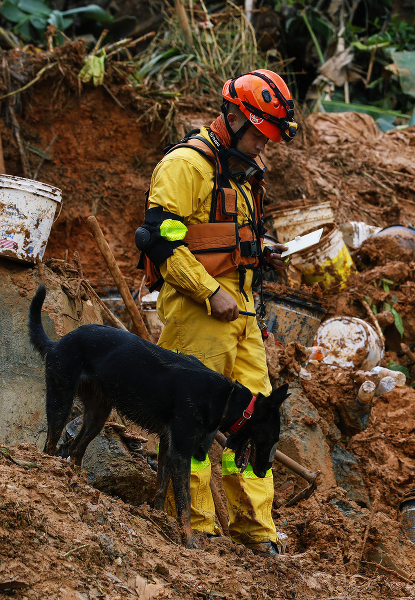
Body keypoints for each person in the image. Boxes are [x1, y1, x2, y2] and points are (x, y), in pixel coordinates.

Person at [134, 69, 300, 554]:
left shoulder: (243, 171)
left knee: (257, 422)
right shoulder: (186, 165)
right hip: (199, 312)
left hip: (242, 312)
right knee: (190, 421)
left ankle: (254, 530)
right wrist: (209, 292)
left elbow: (223, 235)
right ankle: (194, 523)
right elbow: (160, 242)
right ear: (233, 116)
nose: (262, 148)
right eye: (258, 136)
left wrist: (261, 249)